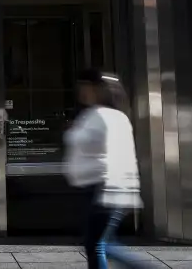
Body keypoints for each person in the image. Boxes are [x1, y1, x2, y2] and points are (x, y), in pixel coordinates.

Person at [64, 70, 144, 269]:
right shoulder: (113, 116)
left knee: (96, 244)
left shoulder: (101, 116)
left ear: (99, 91)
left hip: (103, 188)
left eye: (87, 87)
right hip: (110, 188)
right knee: (105, 244)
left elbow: (88, 144)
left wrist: (73, 133)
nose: (81, 91)